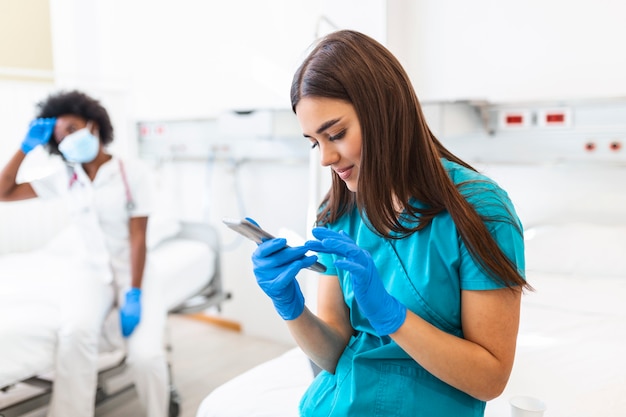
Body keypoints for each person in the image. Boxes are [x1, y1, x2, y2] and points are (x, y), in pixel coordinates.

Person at [250, 30, 530, 416]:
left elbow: (490, 379)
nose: (326, 158)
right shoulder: (338, 212)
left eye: (336, 134)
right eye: (315, 142)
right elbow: (332, 355)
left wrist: (393, 317)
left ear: (384, 111)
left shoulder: (480, 211)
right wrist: (290, 308)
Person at [0, 90, 169, 417]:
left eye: (72, 128)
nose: (68, 139)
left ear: (93, 125)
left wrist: (133, 291)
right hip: (90, 273)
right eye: (60, 136)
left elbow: (138, 238)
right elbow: (3, 192)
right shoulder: (66, 177)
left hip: (134, 271)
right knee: (74, 334)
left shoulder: (132, 172)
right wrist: (24, 149)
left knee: (146, 357)